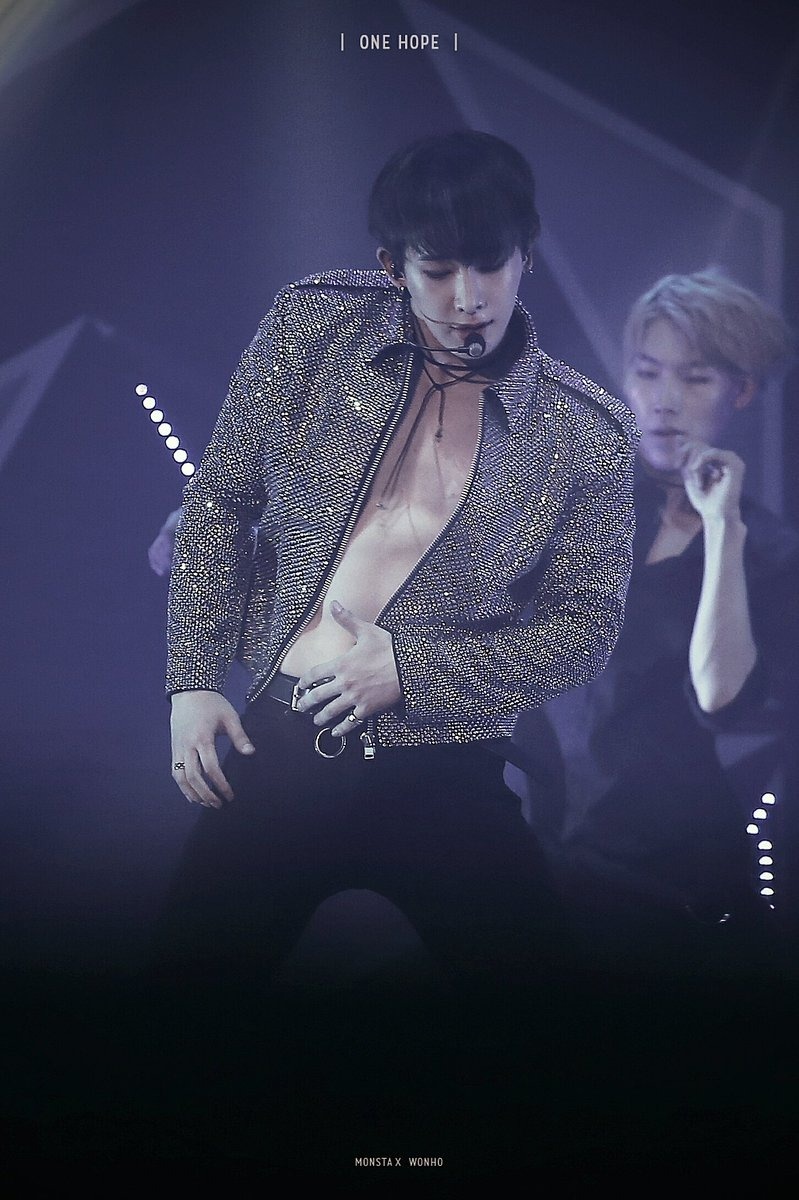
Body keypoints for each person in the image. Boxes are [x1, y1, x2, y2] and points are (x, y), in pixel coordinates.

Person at [152, 130, 638, 1008]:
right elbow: (219, 499)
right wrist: (192, 680)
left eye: (489, 265)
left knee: (550, 1023)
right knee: (173, 1009)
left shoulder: (586, 431)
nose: (468, 299)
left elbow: (585, 629)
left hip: (448, 765)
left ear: (526, 256)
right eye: (438, 270)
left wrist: (411, 671)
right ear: (393, 266)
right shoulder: (313, 325)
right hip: (280, 743)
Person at [509, 268, 798, 978]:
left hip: (674, 886)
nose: (664, 400)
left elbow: (721, 699)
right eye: (646, 372)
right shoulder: (585, 502)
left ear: (741, 391)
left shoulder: (767, 551)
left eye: (695, 379)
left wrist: (720, 528)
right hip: (547, 858)